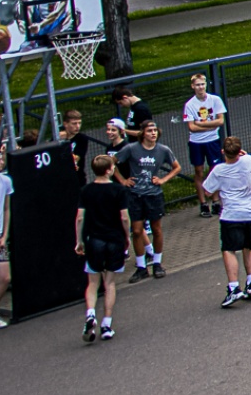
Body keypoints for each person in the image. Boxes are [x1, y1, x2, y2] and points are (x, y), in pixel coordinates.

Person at [200, 138, 251, 309]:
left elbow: (207, 191)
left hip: (232, 215)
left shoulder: (219, 170)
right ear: (240, 150)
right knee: (249, 247)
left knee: (229, 250)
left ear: (223, 152)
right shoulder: (249, 160)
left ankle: (234, 287)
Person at [72, 152, 129, 342]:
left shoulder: (86, 191)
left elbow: (80, 218)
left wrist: (79, 241)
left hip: (94, 240)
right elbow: (124, 217)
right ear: (109, 170)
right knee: (110, 283)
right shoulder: (118, 190)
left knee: (93, 282)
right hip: (114, 239)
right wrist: (126, 237)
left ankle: (90, 314)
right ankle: (106, 324)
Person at [116, 120, 179, 281]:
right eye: (150, 130)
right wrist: (123, 180)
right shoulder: (131, 149)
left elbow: (176, 167)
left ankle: (157, 263)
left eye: (155, 130)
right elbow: (112, 162)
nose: (153, 133)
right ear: (142, 133)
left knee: (156, 229)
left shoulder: (163, 150)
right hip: (135, 195)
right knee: (137, 231)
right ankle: (141, 267)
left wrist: (163, 180)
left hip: (154, 195)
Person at [180, 74, 227, 217]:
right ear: (193, 86)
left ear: (206, 84)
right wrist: (210, 126)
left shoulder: (215, 100)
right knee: (199, 171)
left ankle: (216, 201)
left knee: (215, 170)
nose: (200, 87)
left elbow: (220, 121)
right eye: (197, 85)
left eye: (202, 84)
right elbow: (191, 127)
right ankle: (203, 203)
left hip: (213, 140)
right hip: (196, 142)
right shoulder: (190, 105)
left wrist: (201, 124)